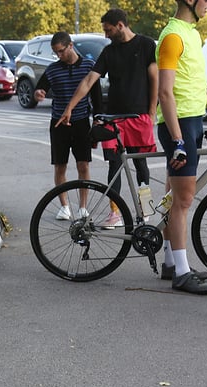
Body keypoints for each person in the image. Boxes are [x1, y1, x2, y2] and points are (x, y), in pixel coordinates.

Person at [155, 0, 207, 294]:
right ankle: (181, 272)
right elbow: (165, 92)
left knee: (173, 196)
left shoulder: (191, 33)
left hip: (192, 122)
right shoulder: (172, 37)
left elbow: (195, 86)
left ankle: (169, 262)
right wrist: (178, 139)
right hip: (177, 125)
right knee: (183, 201)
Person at [57, 8, 157, 230]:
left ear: (120, 25)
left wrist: (151, 112)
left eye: (108, 30)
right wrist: (69, 108)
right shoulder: (109, 52)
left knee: (141, 164)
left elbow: (154, 78)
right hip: (114, 117)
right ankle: (115, 213)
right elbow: (88, 81)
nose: (106, 35)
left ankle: (146, 210)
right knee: (114, 165)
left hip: (139, 114)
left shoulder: (146, 45)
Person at [35, 31, 102, 220]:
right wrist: (38, 93)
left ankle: (83, 207)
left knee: (83, 164)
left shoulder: (89, 66)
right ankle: (64, 206)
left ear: (70, 46)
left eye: (61, 51)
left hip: (81, 122)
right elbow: (40, 89)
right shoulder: (52, 69)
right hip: (58, 123)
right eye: (56, 53)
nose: (59, 56)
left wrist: (97, 120)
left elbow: (96, 98)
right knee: (60, 166)